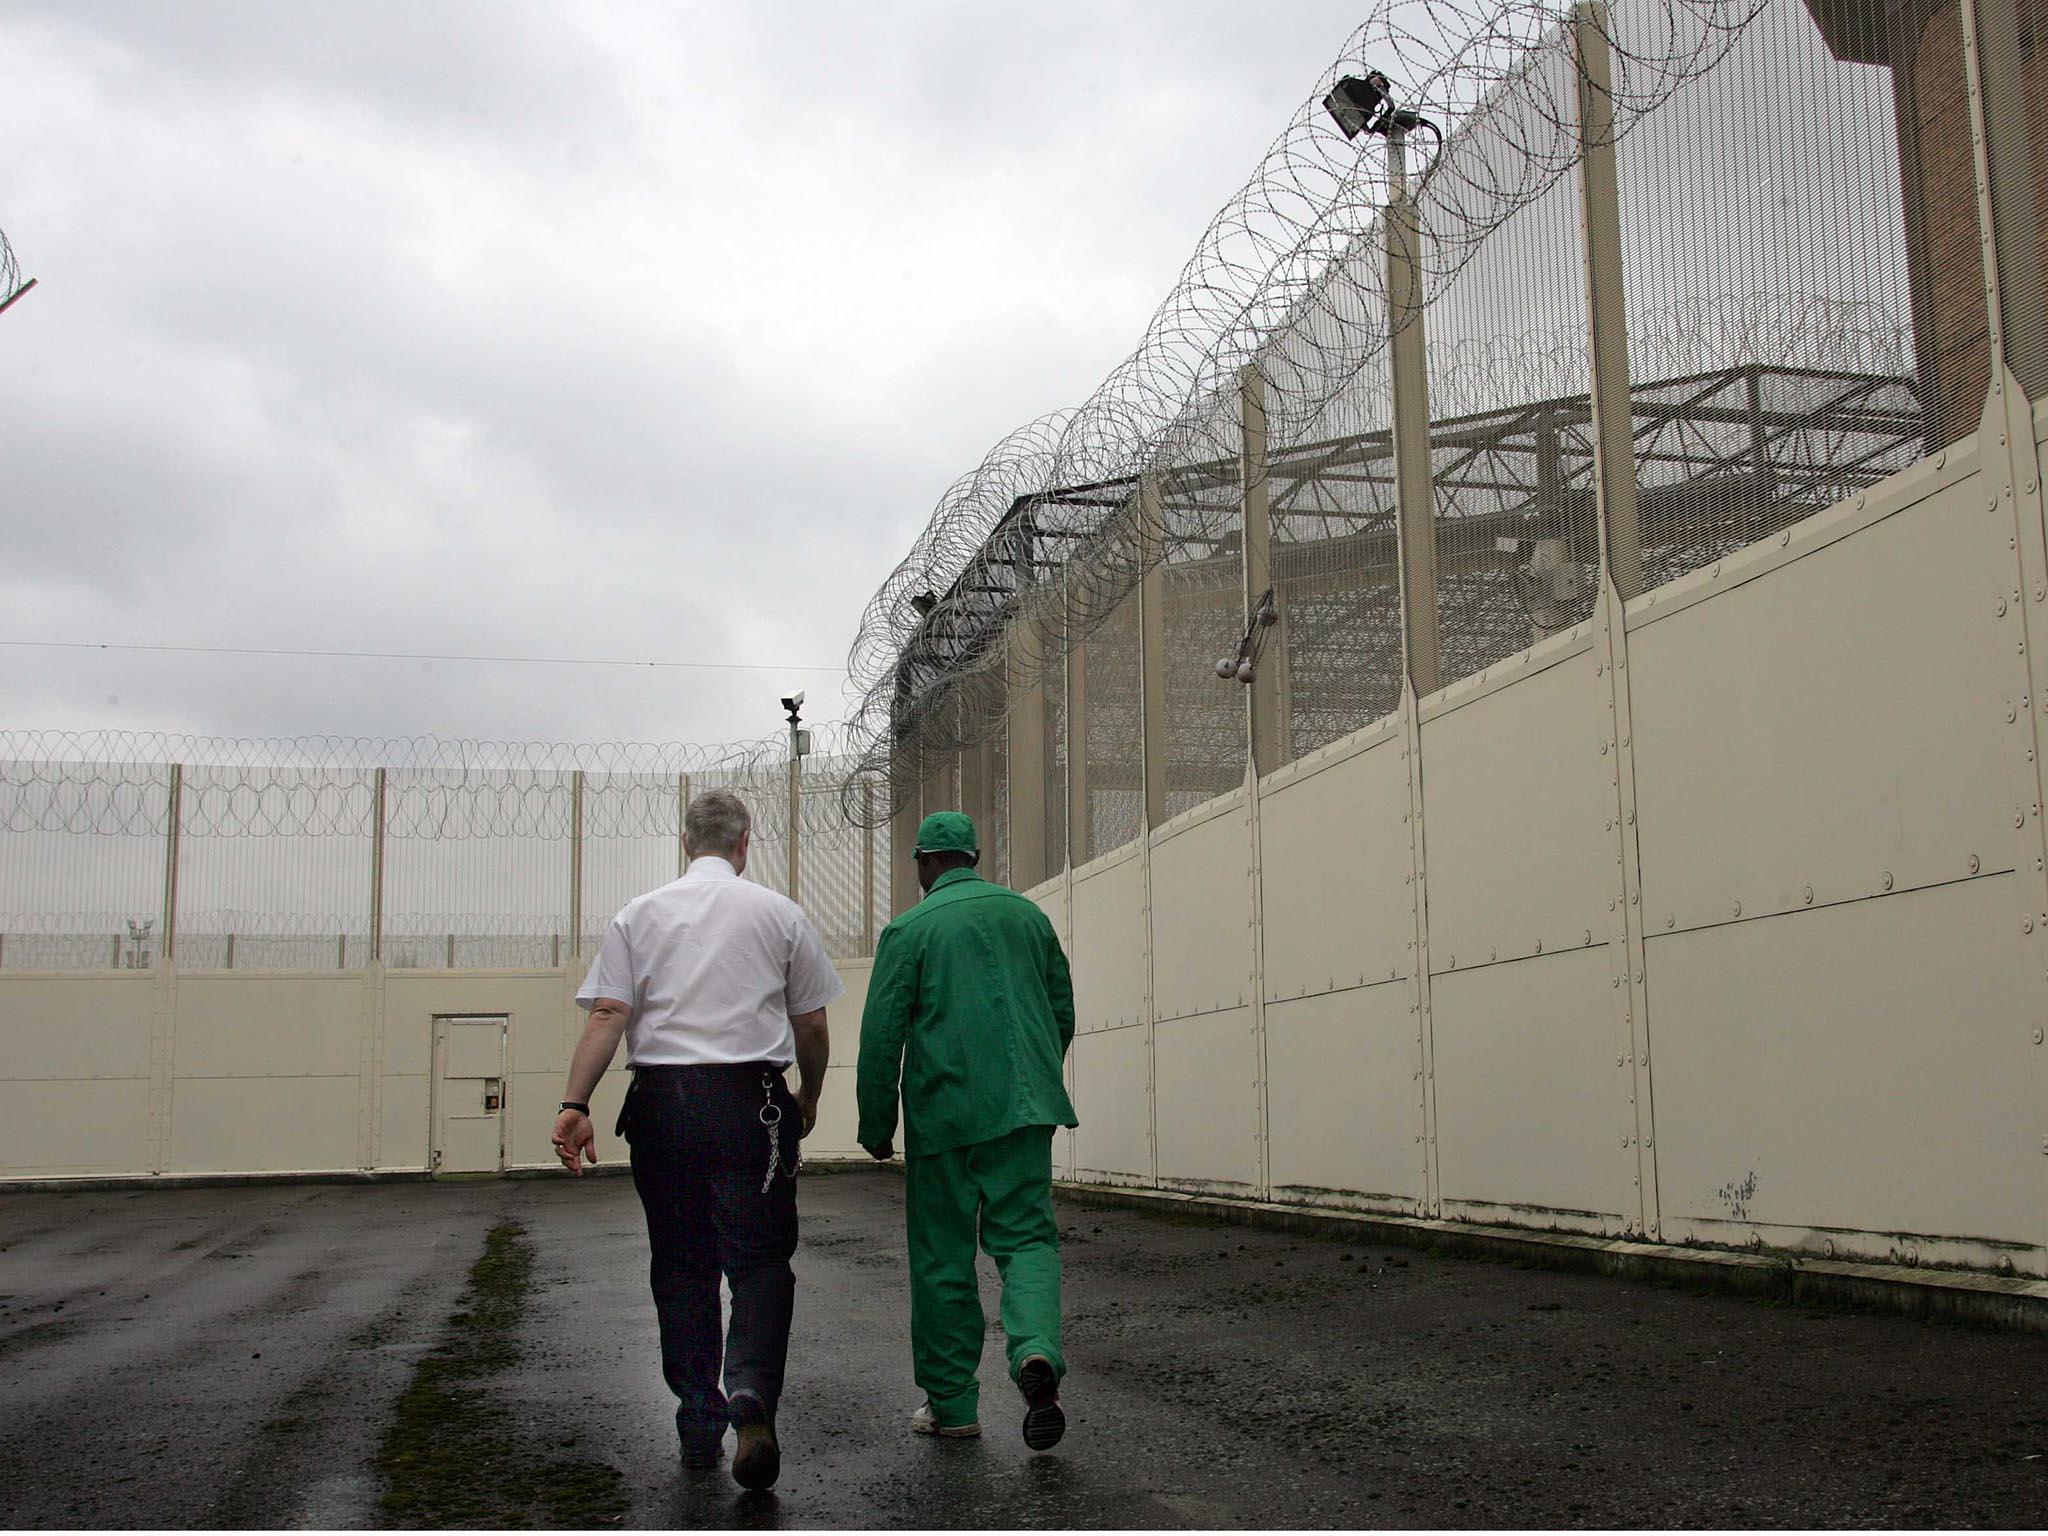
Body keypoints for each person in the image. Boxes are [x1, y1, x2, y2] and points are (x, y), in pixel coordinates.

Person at [553, 788, 842, 1492]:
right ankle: (750, 1396)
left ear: (686, 843)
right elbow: (809, 1024)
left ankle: (695, 1415)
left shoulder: (639, 915)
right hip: (753, 1104)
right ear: (746, 842)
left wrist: (574, 1103)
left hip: (664, 1106)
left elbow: (609, 1014)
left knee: (682, 1266)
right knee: (761, 1261)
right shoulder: (779, 914)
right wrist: (809, 1093)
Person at [856, 810, 1078, 1450]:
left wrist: (878, 1123)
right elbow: (1061, 1009)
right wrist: (1030, 1080)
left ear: (925, 863)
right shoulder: (1029, 917)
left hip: (944, 1116)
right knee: (1028, 1241)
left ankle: (953, 1408)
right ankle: (1036, 1353)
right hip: (1025, 1110)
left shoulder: (909, 929)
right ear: (975, 857)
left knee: (942, 1260)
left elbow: (881, 1037)